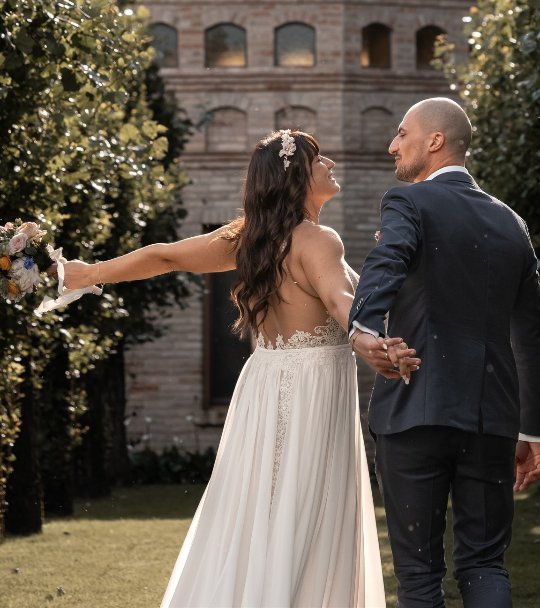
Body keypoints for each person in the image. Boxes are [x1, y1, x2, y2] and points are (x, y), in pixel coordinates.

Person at [64, 129, 408, 608]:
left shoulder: (250, 239)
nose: (329, 162)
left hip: (265, 385)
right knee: (305, 511)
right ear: (297, 176)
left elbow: (164, 255)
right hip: (308, 391)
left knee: (261, 512)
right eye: (317, 158)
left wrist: (91, 273)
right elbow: (339, 299)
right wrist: (367, 338)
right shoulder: (319, 239)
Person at [349, 97, 540, 608]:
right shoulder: (514, 225)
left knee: (418, 577)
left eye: (402, 133)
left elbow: (386, 261)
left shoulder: (407, 202)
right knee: (484, 565)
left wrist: (364, 327)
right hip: (492, 421)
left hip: (416, 412)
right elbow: (532, 334)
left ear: (435, 141)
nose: (393, 145)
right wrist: (530, 430)